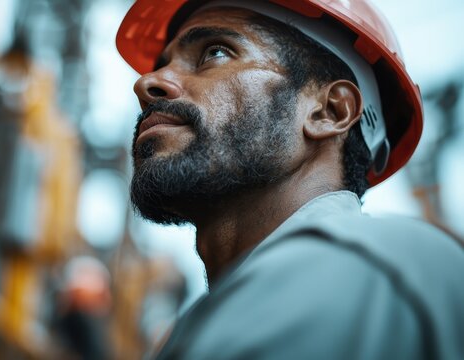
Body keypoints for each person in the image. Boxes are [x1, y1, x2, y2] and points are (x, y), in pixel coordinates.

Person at [115, 0, 464, 359]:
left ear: (330, 112)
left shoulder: (378, 266)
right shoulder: (204, 320)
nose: (148, 82)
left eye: (214, 53)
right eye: (162, 64)